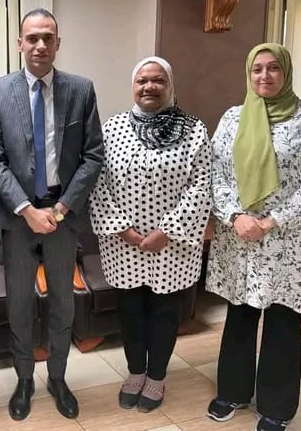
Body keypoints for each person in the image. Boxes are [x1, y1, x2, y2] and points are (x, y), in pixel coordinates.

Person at [206, 43, 301, 431]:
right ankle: (232, 391)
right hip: (240, 237)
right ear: (248, 74)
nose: (264, 76)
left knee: (282, 321)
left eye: (273, 68)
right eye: (257, 69)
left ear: (286, 72)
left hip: (290, 241)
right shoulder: (233, 118)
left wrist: (271, 221)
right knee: (240, 315)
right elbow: (215, 173)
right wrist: (235, 215)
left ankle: (277, 408)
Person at [0, 9, 103, 421]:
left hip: (63, 213)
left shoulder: (80, 90)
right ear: (20, 43)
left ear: (58, 43)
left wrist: (63, 206)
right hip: (18, 217)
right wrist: (26, 209)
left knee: (63, 304)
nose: (39, 45)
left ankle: (58, 377)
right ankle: (23, 380)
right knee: (19, 304)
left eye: (47, 38)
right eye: (32, 38)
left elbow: (93, 156)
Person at [89, 56, 211, 412]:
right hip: (122, 243)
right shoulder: (112, 128)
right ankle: (135, 372)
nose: (150, 87)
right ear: (133, 86)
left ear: (170, 85)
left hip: (172, 245)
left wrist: (167, 231)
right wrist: (123, 229)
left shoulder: (193, 129)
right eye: (142, 80)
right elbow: (98, 183)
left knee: (163, 313)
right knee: (130, 311)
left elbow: (201, 185)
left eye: (158, 80)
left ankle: (157, 377)